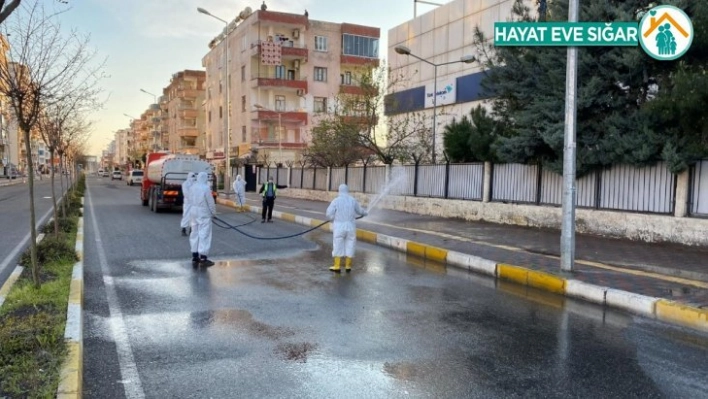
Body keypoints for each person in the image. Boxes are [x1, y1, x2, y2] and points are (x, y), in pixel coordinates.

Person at [325, 184, 367, 272]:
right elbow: (360, 211)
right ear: (347, 190)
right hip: (350, 227)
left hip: (339, 227)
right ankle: (348, 266)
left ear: (339, 191)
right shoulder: (352, 200)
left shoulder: (336, 201)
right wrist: (365, 213)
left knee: (338, 244)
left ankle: (337, 266)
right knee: (350, 244)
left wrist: (332, 218)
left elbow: (329, 213)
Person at [189, 172, 216, 267]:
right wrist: (213, 213)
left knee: (194, 234)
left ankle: (195, 256)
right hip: (203, 213)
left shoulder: (193, 187)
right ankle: (203, 257)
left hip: (193, 213)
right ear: (204, 178)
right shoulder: (205, 188)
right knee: (204, 234)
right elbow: (210, 202)